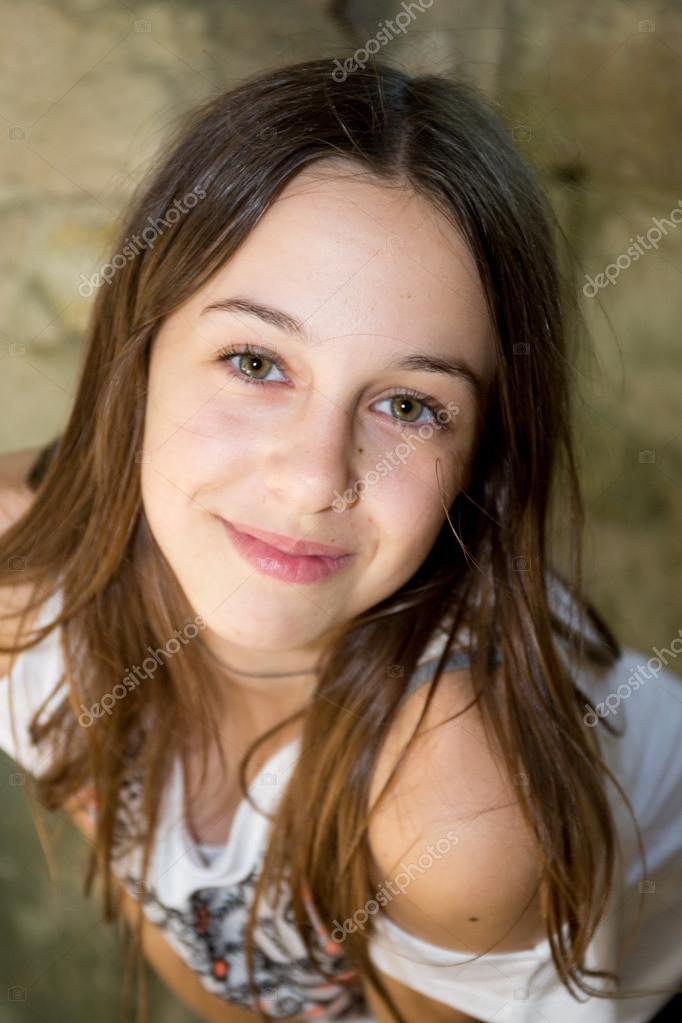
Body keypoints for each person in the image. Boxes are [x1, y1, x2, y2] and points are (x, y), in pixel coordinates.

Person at [0, 57, 680, 1023]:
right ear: (136, 356)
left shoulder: (457, 815)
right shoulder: (20, 579)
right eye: (254, 360)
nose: (316, 477)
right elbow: (189, 929)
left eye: (409, 405)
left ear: (481, 457)